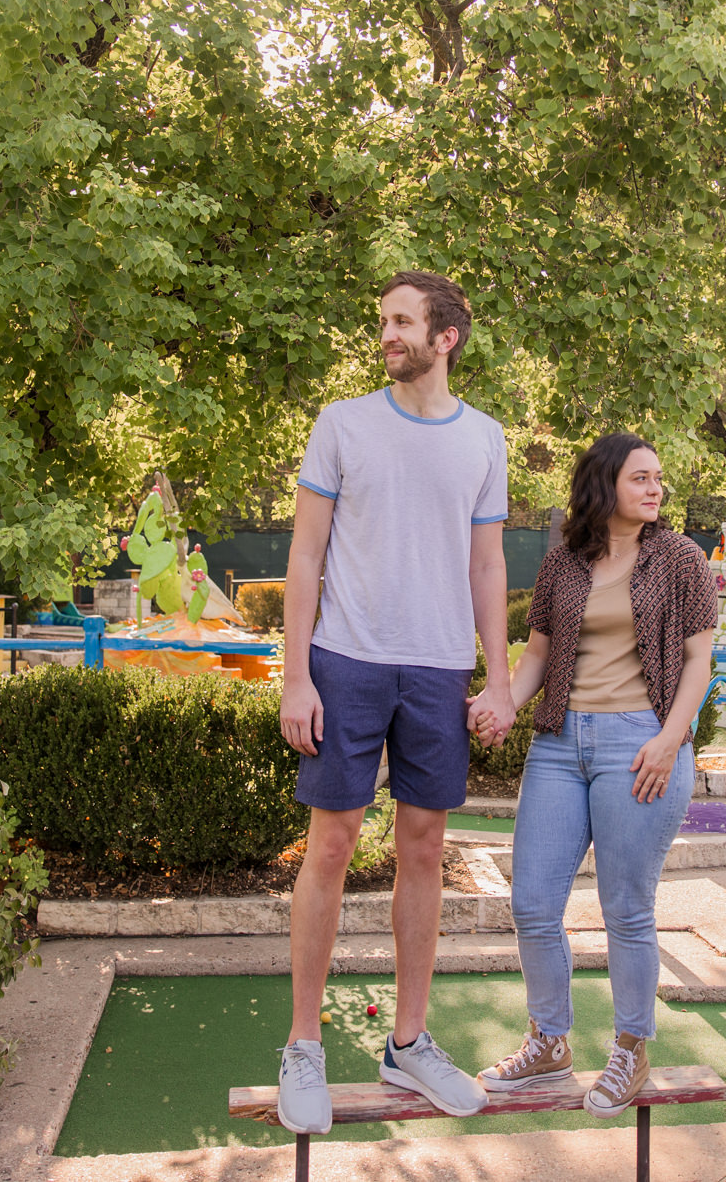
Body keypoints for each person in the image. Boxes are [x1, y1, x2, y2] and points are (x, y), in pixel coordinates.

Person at [274, 272, 517, 1134]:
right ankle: (303, 1044)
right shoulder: (343, 423)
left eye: (402, 322)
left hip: (438, 668)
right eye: (383, 321)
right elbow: (305, 558)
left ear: (445, 336)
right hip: (346, 660)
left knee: (424, 849)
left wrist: (498, 675)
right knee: (332, 843)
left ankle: (409, 1043)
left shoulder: (484, 438)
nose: (387, 335)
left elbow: (488, 567)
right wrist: (295, 674)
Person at [471, 433, 717, 1117]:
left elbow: (699, 660)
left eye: (658, 478)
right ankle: (549, 1038)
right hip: (559, 744)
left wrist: (672, 738)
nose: (655, 488)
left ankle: (631, 1048)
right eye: (640, 477)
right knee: (532, 903)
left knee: (626, 909)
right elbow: (538, 657)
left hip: (641, 744)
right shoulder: (563, 565)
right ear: (604, 485)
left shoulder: (681, 560)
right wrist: (503, 705)